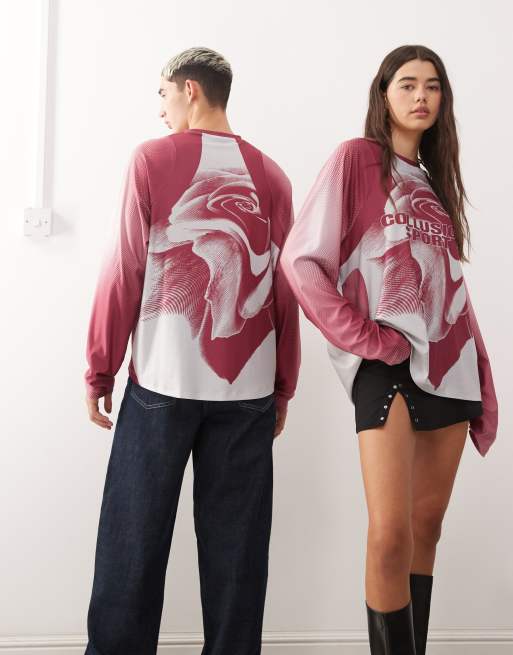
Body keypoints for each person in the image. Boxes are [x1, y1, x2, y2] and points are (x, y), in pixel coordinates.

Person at [279, 44, 498, 655]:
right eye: (407, 84)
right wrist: (366, 339)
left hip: (450, 370)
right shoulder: (356, 160)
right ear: (383, 94)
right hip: (388, 367)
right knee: (389, 536)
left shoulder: (434, 184)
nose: (421, 96)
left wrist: (483, 377)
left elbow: (453, 293)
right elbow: (301, 261)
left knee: (426, 529)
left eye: (433, 86)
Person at [83, 46, 300, 655]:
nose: (161, 109)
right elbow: (286, 290)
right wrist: (284, 384)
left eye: (163, 94)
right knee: (238, 557)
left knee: (132, 544)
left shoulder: (151, 159)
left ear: (190, 90)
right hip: (249, 392)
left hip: (162, 384)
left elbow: (125, 268)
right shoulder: (273, 176)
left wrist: (100, 368)